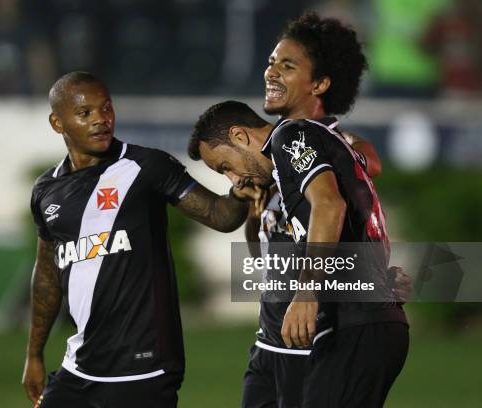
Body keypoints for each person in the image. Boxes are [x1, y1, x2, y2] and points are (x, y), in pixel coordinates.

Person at [190, 12, 409, 408]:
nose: (271, 71)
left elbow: (335, 199)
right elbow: (277, 254)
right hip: (292, 334)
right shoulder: (282, 156)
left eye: (287, 65)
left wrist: (311, 289)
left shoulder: (302, 135)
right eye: (271, 62)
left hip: (335, 327)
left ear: (320, 83)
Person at [21, 71, 256, 408]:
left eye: (106, 109)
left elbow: (220, 216)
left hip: (145, 369)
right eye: (85, 113)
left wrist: (239, 193)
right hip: (79, 368)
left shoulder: (146, 166)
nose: (101, 120)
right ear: (58, 123)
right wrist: (34, 354)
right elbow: (46, 272)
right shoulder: (46, 190)